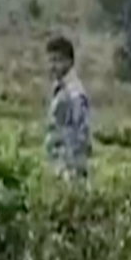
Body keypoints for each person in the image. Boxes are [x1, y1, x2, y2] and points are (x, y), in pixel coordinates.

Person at [45, 35, 91, 180]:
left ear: (69, 62)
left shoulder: (74, 93)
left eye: (57, 60)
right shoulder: (60, 89)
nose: (53, 66)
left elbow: (78, 135)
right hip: (59, 167)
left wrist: (68, 171)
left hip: (69, 171)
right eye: (50, 60)